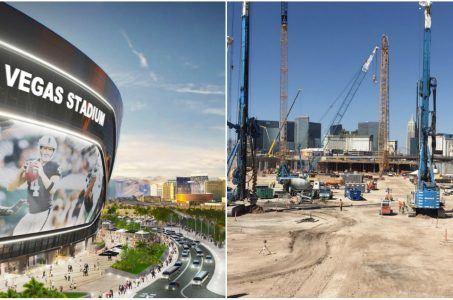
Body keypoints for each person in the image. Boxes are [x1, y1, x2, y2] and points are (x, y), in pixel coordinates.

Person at [8, 135, 61, 235]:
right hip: (31, 211)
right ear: (39, 148)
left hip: (44, 212)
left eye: (50, 149)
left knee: (31, 240)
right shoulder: (31, 163)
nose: (46, 151)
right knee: (16, 234)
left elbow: (53, 190)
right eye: (45, 148)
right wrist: (21, 170)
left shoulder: (55, 166)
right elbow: (17, 184)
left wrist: (41, 172)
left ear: (53, 151)